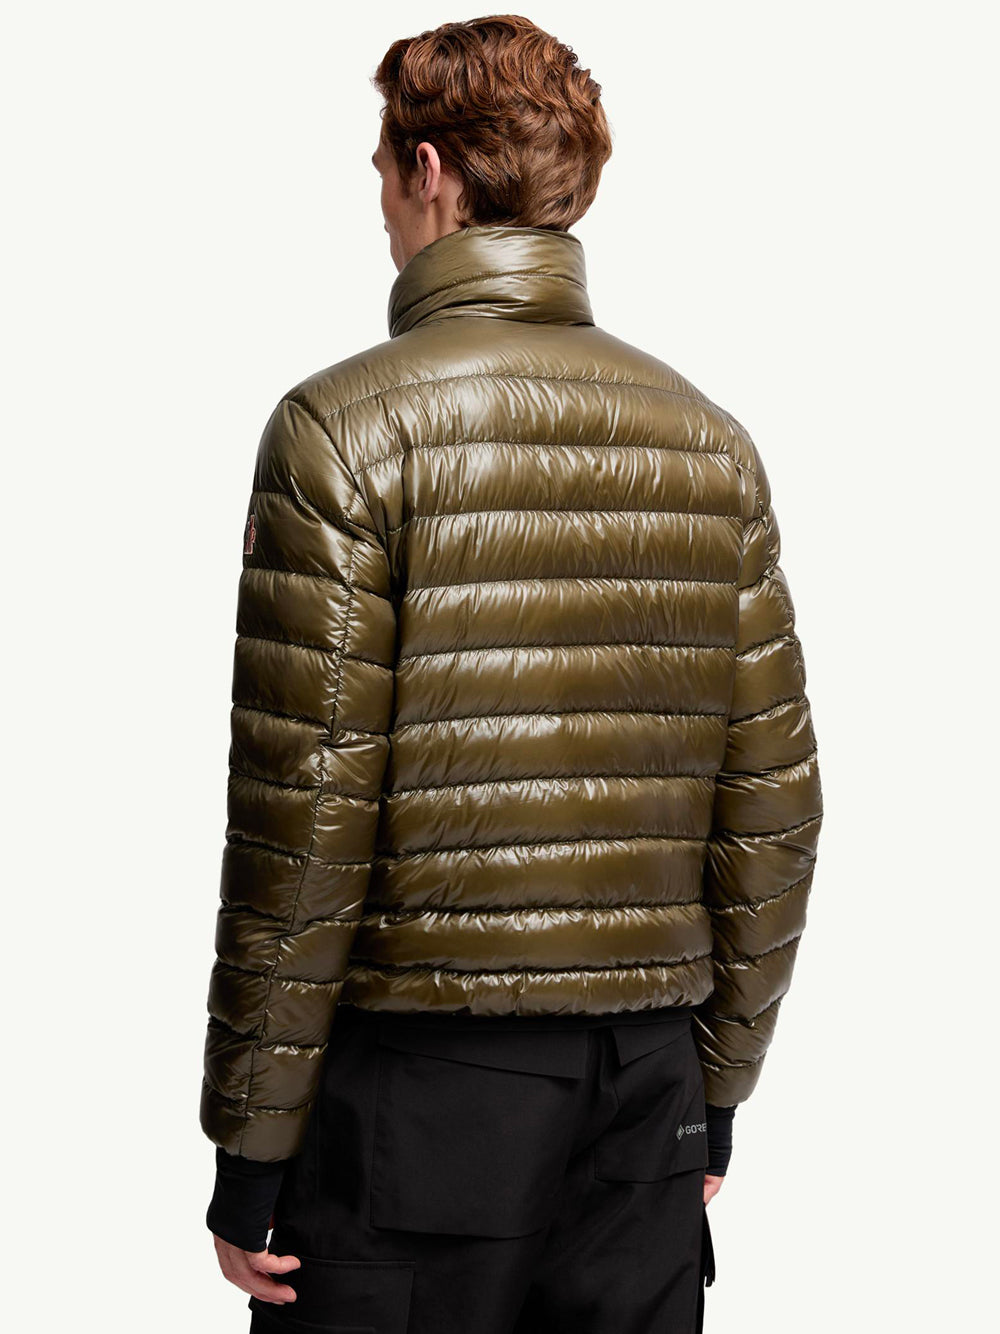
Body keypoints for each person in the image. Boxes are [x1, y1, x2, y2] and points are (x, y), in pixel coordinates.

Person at [199, 15, 823, 1333]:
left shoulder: (343, 433)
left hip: (418, 1103)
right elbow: (774, 805)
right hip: (645, 1092)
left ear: (428, 169)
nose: (379, 204)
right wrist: (713, 1089)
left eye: (381, 170)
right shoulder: (710, 444)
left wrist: (249, 1145)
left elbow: (305, 825)